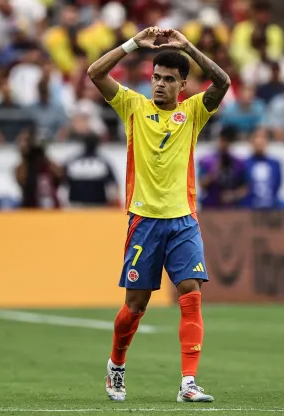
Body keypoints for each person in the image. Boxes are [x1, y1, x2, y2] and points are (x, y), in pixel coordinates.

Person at [87, 26, 230, 403]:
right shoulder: (133, 107)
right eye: (156, 78)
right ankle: (116, 366)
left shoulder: (194, 112)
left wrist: (190, 48)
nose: (161, 85)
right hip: (144, 222)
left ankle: (188, 383)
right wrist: (133, 44)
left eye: (169, 79)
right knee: (135, 307)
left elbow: (223, 81)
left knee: (191, 295)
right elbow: (95, 73)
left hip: (183, 220)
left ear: (183, 85)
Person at [63, 134, 120, 208]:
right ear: (97, 144)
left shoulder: (73, 161)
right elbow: (114, 185)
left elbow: (63, 182)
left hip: (76, 205)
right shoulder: (103, 162)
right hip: (98, 206)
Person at [198, 126, 248, 209]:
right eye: (222, 140)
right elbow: (201, 184)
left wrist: (233, 195)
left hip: (232, 207)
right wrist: (214, 171)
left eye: (227, 140)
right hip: (210, 205)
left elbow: (246, 187)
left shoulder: (238, 162)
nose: (225, 143)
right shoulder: (206, 161)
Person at [244, 129, 284, 209]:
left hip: (271, 203)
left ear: (266, 144)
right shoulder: (245, 163)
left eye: (262, 143)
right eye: (257, 144)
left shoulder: (275, 163)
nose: (259, 145)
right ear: (251, 144)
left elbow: (277, 183)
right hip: (250, 204)